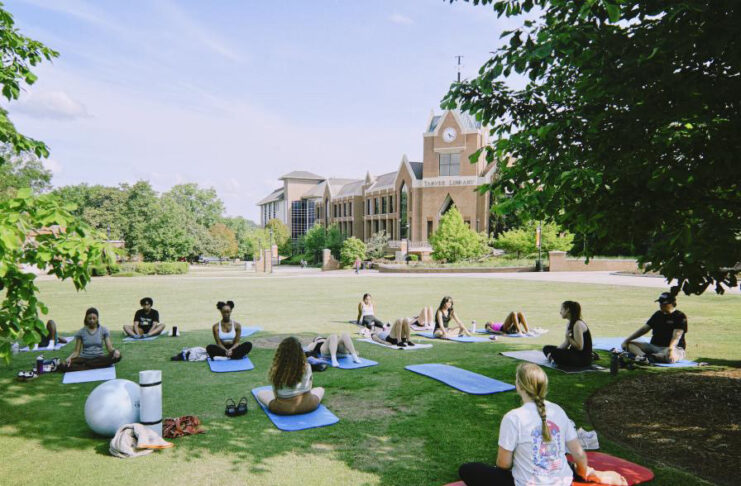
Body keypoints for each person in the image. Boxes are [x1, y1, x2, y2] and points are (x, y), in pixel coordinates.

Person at [458, 363, 627, 486]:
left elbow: (503, 464)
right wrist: (584, 473)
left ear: (519, 385)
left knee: (468, 470)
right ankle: (592, 473)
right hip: (563, 481)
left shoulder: (513, 417)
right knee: (561, 463)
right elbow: (579, 453)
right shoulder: (558, 411)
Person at [256, 337, 325, 415]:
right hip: (308, 405)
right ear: (300, 352)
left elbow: (276, 394)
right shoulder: (307, 366)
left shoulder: (277, 369)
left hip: (283, 408)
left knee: (261, 393)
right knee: (320, 389)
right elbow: (309, 388)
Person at [621, 292, 688, 364]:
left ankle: (648, 358)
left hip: (673, 348)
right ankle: (645, 357)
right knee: (629, 344)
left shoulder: (680, 316)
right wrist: (627, 340)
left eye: (664, 304)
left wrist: (671, 350)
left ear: (672, 303)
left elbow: (676, 336)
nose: (661, 305)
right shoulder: (657, 314)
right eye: (660, 303)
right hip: (654, 346)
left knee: (670, 357)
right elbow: (644, 329)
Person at [57, 308, 121, 372]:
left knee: (117, 356)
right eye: (90, 318)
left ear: (97, 319)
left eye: (94, 318)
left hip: (99, 358)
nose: (92, 320)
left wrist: (116, 351)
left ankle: (86, 366)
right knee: (65, 365)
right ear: (86, 319)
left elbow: (110, 348)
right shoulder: (81, 332)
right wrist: (69, 358)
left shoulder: (103, 330)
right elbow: (76, 352)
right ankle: (93, 365)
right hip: (85, 358)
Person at [542, 301, 593, 368]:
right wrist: (554, 352)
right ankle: (553, 358)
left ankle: (553, 358)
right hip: (573, 353)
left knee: (555, 353)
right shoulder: (570, 323)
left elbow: (580, 347)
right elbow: (566, 343)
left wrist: (568, 338)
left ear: (567, 310)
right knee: (547, 348)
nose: (560, 312)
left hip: (582, 359)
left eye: (562, 309)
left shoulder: (578, 324)